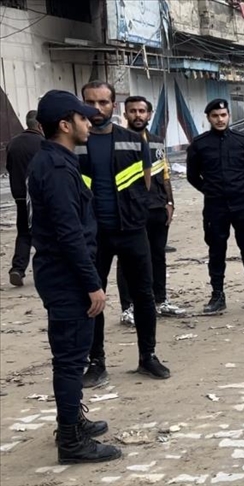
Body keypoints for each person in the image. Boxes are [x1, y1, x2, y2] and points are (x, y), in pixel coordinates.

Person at [29, 90, 121, 464]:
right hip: (66, 277)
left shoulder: (58, 161)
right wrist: (91, 284)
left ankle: (71, 423)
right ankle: (71, 441)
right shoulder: (55, 168)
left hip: (64, 273)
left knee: (71, 356)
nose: (90, 121)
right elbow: (68, 233)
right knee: (70, 360)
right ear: (65, 125)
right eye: (83, 118)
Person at [78, 81, 169, 387]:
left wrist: (136, 212)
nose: (96, 109)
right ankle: (96, 362)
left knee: (143, 295)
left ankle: (148, 357)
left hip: (131, 230)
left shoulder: (132, 140)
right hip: (94, 236)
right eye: (90, 102)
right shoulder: (76, 142)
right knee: (93, 300)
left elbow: (146, 182)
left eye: (103, 102)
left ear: (113, 106)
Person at [187, 98, 244, 313]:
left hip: (242, 203)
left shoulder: (242, 141)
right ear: (208, 118)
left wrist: (243, 187)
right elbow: (192, 176)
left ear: (229, 116)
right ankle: (217, 296)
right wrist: (209, 190)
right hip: (215, 206)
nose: (220, 119)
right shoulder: (199, 144)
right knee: (216, 250)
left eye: (223, 115)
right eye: (215, 116)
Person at [116, 96, 184, 326]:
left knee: (158, 255)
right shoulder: (118, 142)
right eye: (132, 111)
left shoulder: (156, 141)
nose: (137, 115)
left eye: (142, 111)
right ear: (125, 114)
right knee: (128, 259)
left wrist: (170, 203)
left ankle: (160, 300)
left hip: (156, 208)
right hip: (130, 210)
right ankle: (128, 307)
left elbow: (164, 174)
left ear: (149, 114)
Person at [6, 110, 42, 287]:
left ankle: (17, 269)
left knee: (24, 233)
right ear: (40, 125)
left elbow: (9, 168)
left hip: (20, 197)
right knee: (46, 233)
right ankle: (45, 271)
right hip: (38, 196)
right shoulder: (43, 143)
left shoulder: (13, 143)